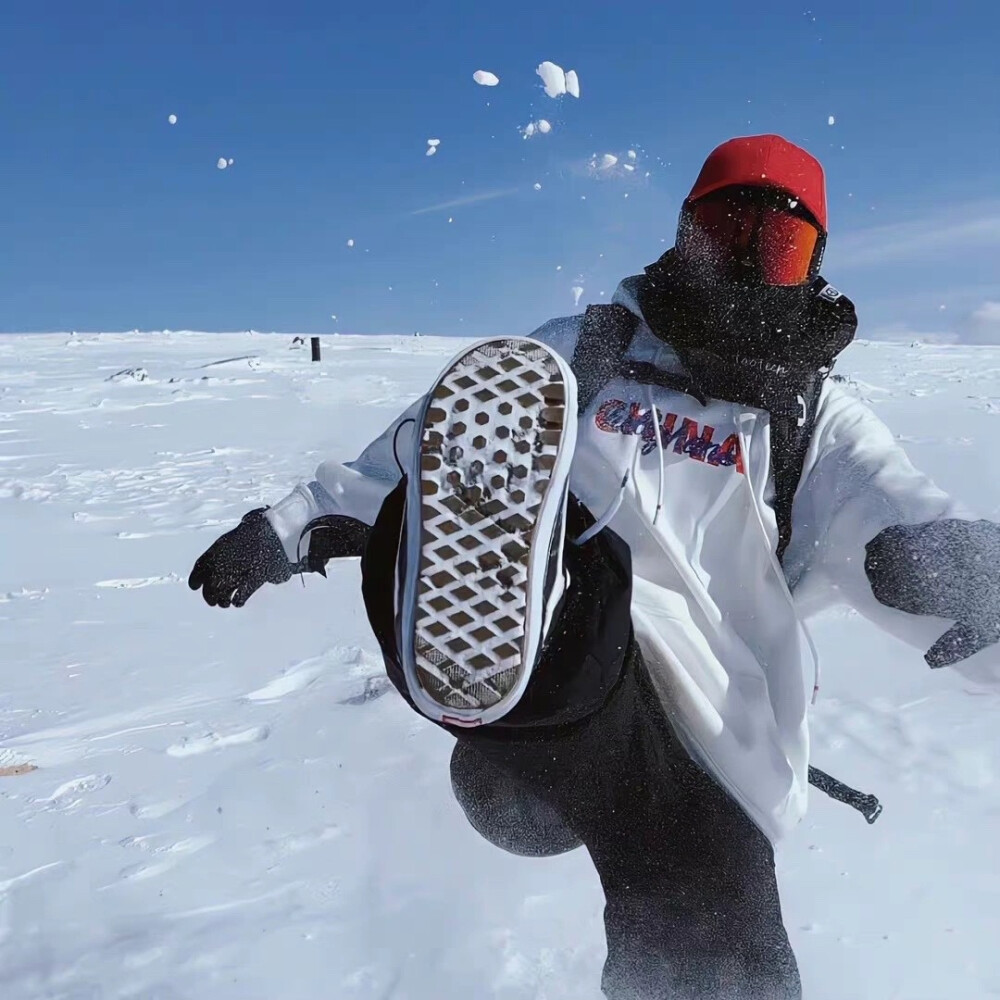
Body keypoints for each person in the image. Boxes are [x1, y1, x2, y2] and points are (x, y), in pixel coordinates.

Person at [189, 134, 1000, 999]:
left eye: (777, 248)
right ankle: (506, 626)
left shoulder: (819, 426)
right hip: (535, 714)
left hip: (701, 731)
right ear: (684, 232)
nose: (741, 267)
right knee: (517, 530)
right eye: (722, 235)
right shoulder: (583, 355)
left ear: (813, 268)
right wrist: (289, 528)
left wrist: (969, 579)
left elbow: (898, 521)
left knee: (717, 958)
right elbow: (423, 448)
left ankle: (524, 665)